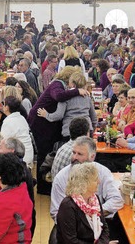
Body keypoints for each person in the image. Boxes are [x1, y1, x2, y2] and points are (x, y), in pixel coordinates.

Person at [50, 136, 123, 241]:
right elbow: (56, 212)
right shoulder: (61, 178)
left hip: (98, 226)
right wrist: (84, 217)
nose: (74, 157)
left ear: (92, 156)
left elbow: (116, 200)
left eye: (79, 154)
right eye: (73, 152)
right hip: (74, 231)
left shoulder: (102, 172)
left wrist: (94, 214)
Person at [28, 66, 88, 194]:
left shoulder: (59, 85)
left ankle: (47, 184)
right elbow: (59, 96)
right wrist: (77, 92)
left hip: (46, 123)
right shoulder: (57, 84)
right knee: (44, 153)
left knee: (48, 151)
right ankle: (43, 187)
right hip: (41, 123)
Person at [57, 162, 111, 243]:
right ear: (84, 184)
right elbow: (71, 241)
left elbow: (104, 227)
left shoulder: (95, 199)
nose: (99, 182)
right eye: (95, 179)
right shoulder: (68, 206)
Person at [37, 71, 97, 140]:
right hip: (87, 130)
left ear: (72, 84)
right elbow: (94, 117)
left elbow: (59, 115)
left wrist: (46, 115)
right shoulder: (87, 97)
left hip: (69, 131)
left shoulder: (66, 97)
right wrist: (92, 128)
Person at [0, 96, 35, 165]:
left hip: (20, 157)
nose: (2, 106)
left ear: (7, 107)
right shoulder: (21, 118)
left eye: (3, 104)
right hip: (29, 154)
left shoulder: (8, 122)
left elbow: (3, 142)